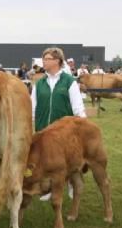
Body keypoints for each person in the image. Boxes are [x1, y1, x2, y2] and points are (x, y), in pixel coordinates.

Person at [32, 47, 86, 201]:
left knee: (67, 161)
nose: (44, 61)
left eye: (47, 59)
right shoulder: (39, 83)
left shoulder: (69, 82)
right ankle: (49, 188)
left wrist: (82, 127)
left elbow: (77, 107)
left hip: (63, 132)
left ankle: (71, 185)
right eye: (44, 58)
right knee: (46, 161)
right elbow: (32, 106)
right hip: (43, 129)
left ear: (58, 61)